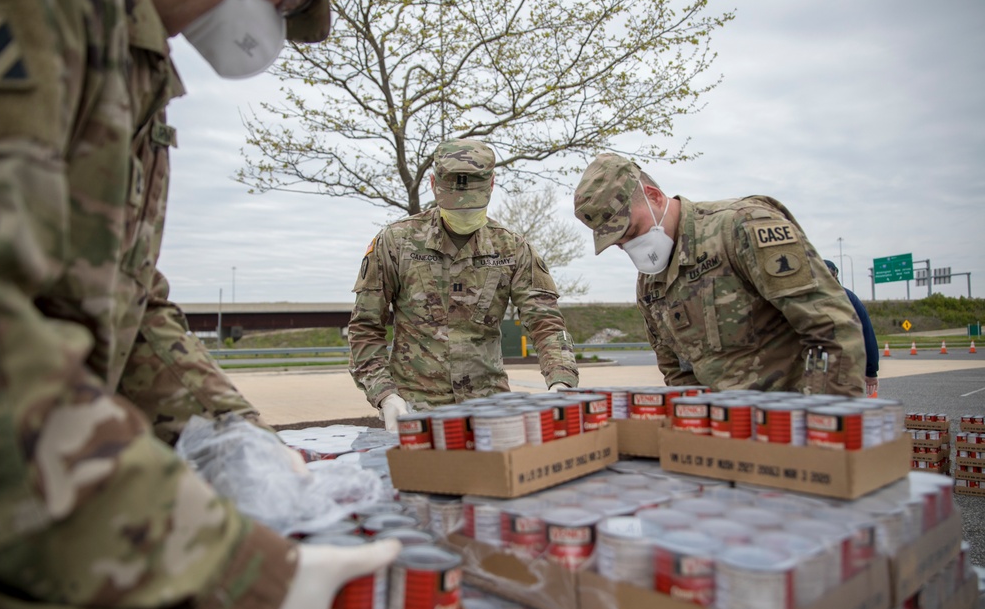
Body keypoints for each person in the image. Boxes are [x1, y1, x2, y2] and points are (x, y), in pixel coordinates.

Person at [0, 0, 398, 609]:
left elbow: (131, 299)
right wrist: (229, 576)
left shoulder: (134, 63)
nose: (276, 16)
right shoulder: (46, 2)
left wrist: (240, 435)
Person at [573, 153, 866, 396]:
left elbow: (832, 327)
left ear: (654, 197)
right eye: (618, 243)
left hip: (792, 421)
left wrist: (824, 422)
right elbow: (676, 369)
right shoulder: (651, 283)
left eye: (632, 231)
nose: (628, 246)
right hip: (728, 433)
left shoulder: (742, 227)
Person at [349, 139, 579, 429]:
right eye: (456, 208)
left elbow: (546, 323)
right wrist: (384, 394)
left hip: (490, 412)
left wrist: (561, 381)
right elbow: (365, 329)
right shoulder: (396, 243)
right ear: (433, 184)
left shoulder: (511, 248)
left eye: (472, 208)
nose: (464, 215)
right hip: (415, 412)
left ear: (492, 184)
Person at [825, 260, 879, 396]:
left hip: (835, 366)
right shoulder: (848, 297)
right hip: (837, 367)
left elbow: (866, 332)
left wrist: (871, 371)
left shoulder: (848, 299)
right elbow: (866, 331)